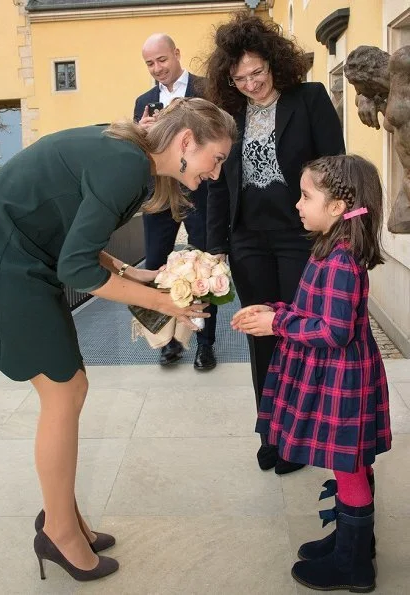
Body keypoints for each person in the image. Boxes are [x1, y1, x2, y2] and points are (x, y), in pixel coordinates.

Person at [0, 98, 236, 584]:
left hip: (17, 261)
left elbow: (76, 233)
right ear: (187, 142)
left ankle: (63, 519)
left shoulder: (130, 155)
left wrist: (135, 272)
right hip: (1, 267)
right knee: (63, 391)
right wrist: (163, 303)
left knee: (72, 387)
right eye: (216, 159)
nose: (216, 173)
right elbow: (76, 269)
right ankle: (59, 533)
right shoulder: (128, 166)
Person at [232, 154, 391, 592]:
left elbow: (335, 330)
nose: (297, 205)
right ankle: (353, 542)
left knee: (350, 466)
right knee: (351, 463)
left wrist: (277, 325)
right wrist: (275, 309)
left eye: (305, 196)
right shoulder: (330, 249)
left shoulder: (340, 260)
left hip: (342, 376)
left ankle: (353, 566)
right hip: (340, 372)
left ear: (338, 206)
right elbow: (314, 312)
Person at [203, 13, 345, 474]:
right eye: (239, 78)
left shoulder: (310, 100)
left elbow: (335, 172)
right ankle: (272, 432)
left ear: (274, 63)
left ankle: (302, 432)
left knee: (298, 336)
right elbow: (218, 186)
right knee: (261, 336)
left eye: (257, 73)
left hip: (301, 238)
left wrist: (337, 234)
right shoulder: (229, 117)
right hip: (248, 241)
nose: (250, 84)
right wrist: (215, 246)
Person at [134, 33, 218, 371]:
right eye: (150, 64)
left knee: (205, 269)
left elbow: (218, 137)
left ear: (176, 54)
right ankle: (167, 341)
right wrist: (142, 131)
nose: (157, 68)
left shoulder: (207, 89)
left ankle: (205, 344)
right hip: (161, 195)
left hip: (201, 193)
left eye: (161, 60)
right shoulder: (143, 99)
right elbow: (141, 150)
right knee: (156, 266)